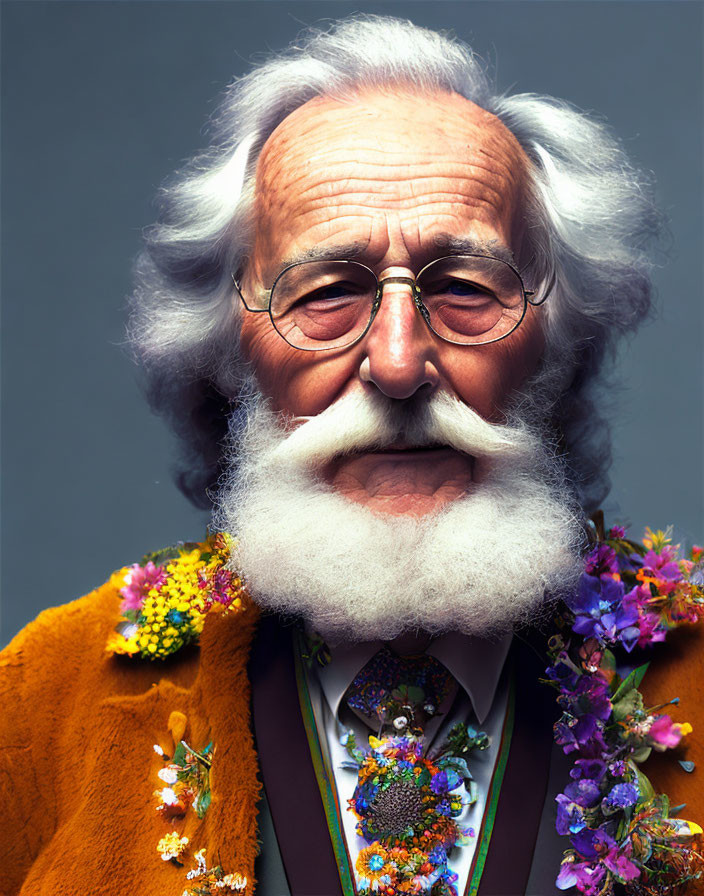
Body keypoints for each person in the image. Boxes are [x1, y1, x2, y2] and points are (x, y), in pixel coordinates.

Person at [2, 15, 702, 896]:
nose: (400, 364)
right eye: (327, 292)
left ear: (555, 344)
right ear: (228, 346)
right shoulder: (46, 696)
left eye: (466, 290)